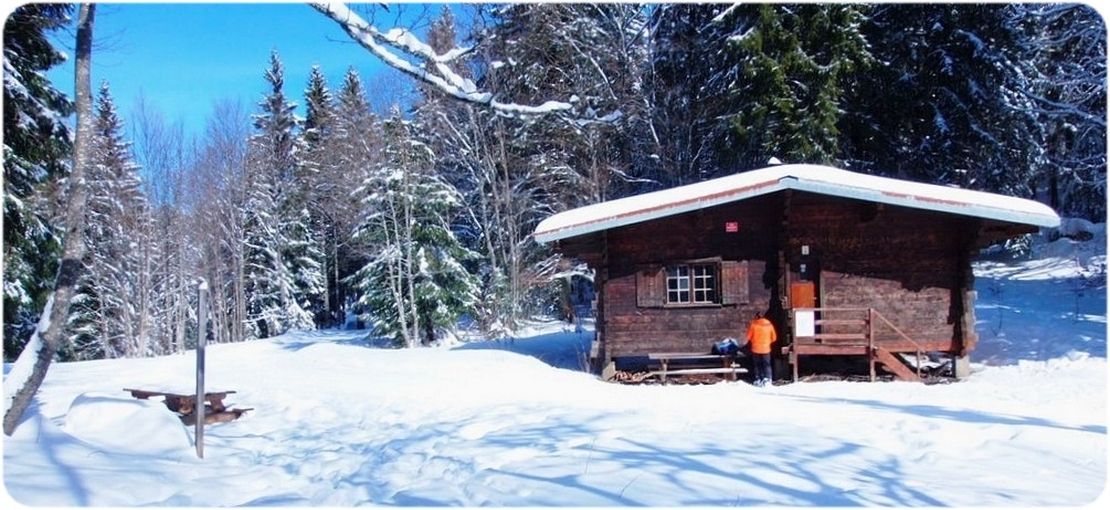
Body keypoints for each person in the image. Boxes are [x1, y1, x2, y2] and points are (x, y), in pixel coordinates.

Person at [746, 311, 777, 387]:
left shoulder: (754, 325)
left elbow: (748, 337)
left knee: (757, 365)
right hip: (766, 349)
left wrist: (754, 341)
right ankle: (767, 379)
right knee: (767, 365)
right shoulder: (769, 325)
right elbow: (774, 338)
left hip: (756, 348)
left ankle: (758, 379)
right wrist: (768, 342)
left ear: (757, 317)